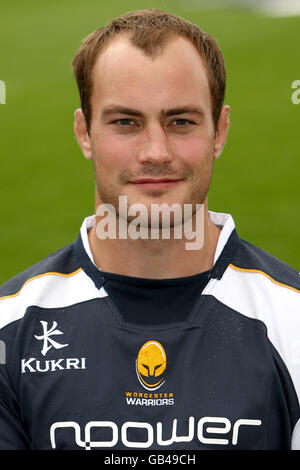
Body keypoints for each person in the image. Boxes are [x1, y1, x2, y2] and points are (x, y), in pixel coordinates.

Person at [0, 8, 299, 451]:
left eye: (181, 122)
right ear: (85, 132)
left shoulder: (291, 323)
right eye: (126, 122)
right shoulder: (11, 330)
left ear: (220, 130)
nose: (156, 152)